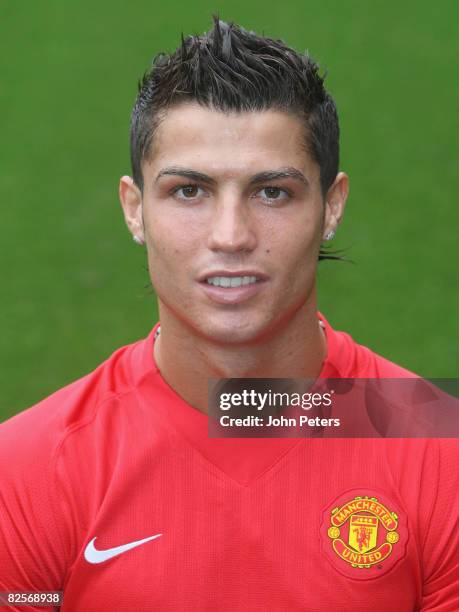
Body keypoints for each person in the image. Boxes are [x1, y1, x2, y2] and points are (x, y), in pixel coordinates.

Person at [0, 17, 458, 611]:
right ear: (134, 210)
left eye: (272, 192)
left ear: (331, 206)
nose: (231, 235)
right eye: (189, 191)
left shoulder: (441, 447)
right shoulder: (27, 471)